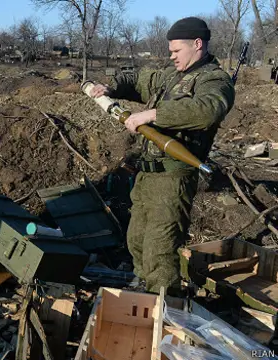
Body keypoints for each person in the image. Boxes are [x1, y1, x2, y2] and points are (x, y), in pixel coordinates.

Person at [89, 17, 235, 295]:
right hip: (147, 176)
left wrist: (154, 114)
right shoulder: (171, 76)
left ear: (197, 44)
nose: (172, 56)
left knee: (160, 250)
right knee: (137, 242)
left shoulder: (214, 80)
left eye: (177, 51)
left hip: (173, 177)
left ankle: (161, 308)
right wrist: (111, 88)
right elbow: (137, 79)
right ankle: (143, 292)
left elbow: (208, 110)